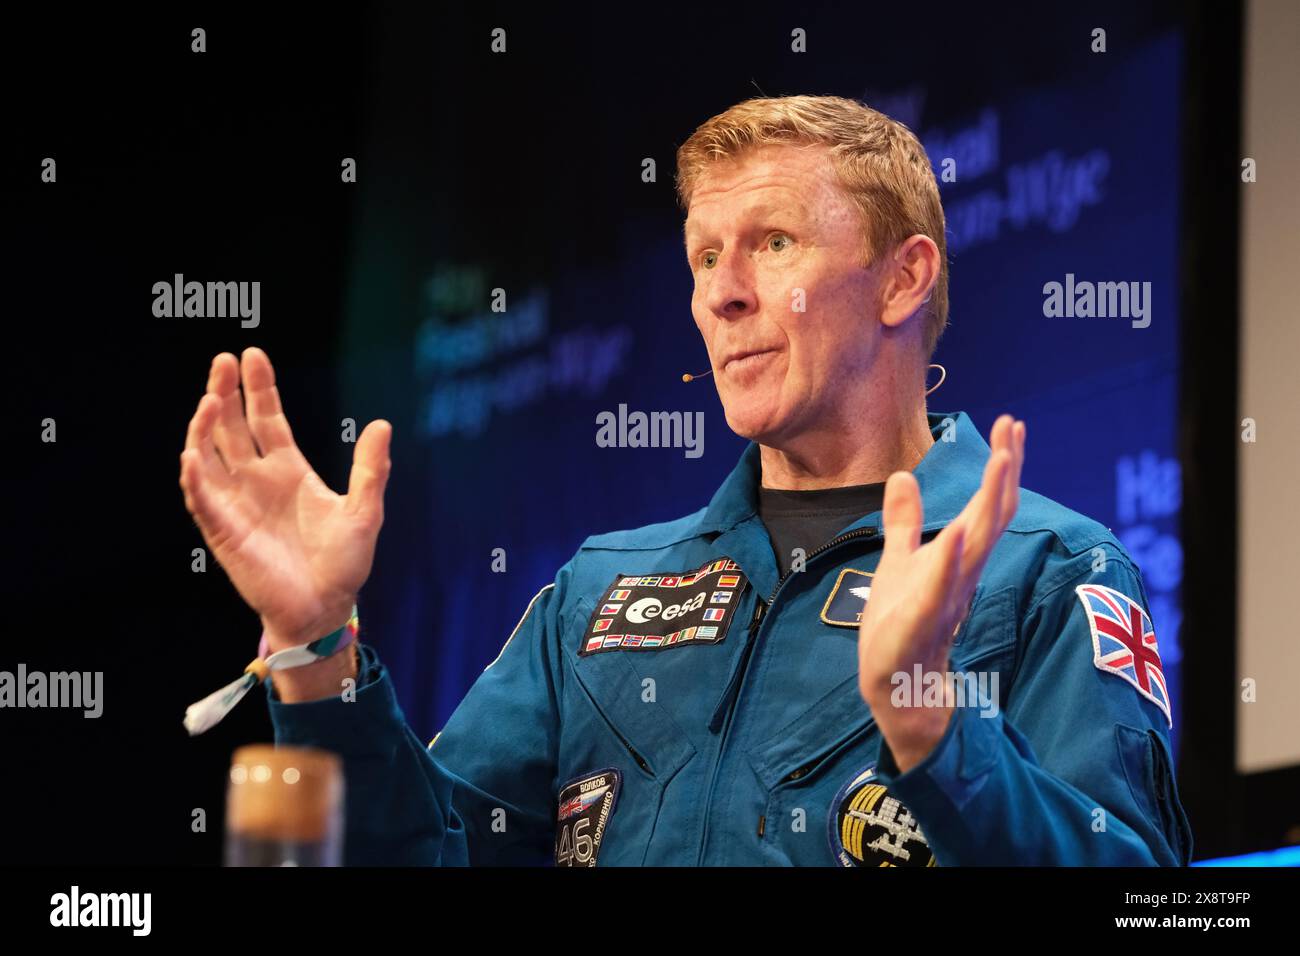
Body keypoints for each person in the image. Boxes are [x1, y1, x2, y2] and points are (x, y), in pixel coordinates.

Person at [179, 95, 1192, 866]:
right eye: (704, 256)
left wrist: (934, 728)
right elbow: (429, 848)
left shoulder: (1047, 569)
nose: (720, 292)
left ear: (903, 276)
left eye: (773, 243)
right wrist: (318, 649)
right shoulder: (598, 590)